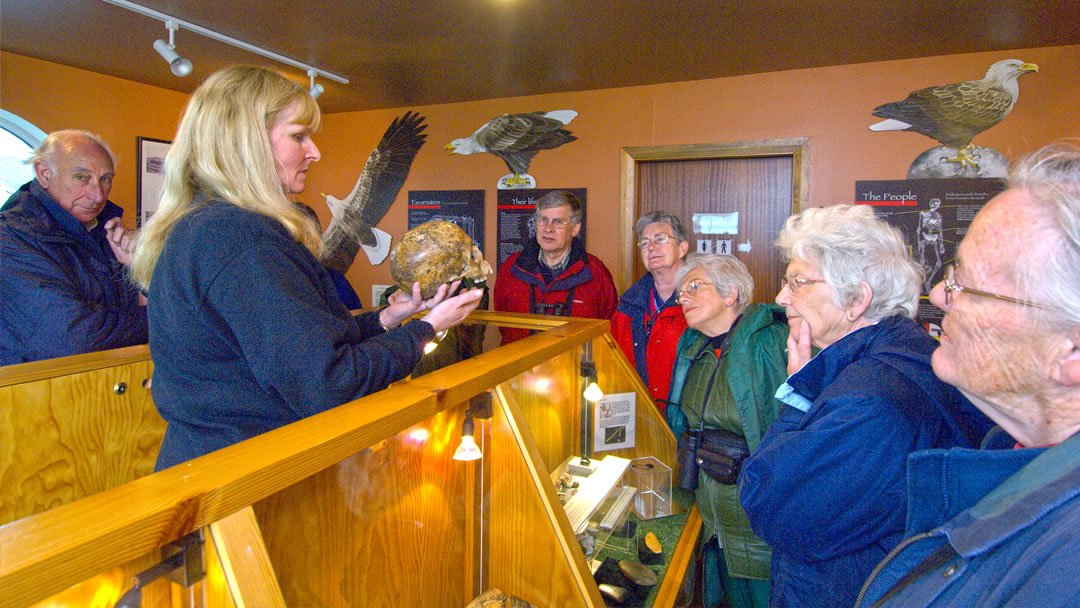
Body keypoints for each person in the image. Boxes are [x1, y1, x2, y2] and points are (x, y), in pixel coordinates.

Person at [130, 66, 482, 470]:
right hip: (242, 478)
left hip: (224, 465)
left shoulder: (208, 225)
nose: (314, 151)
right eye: (298, 136)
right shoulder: (241, 239)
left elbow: (296, 348)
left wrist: (386, 319)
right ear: (246, 143)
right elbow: (328, 384)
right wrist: (428, 327)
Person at [856, 141, 1080, 607]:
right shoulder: (1009, 452)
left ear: (1072, 351)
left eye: (967, 285)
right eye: (951, 273)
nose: (938, 294)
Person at [737, 204, 992, 608]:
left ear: (856, 298)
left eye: (797, 282)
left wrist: (799, 396)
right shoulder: (904, 355)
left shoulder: (868, 404)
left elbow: (768, 503)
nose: (781, 296)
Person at [665, 253, 788, 608]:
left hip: (760, 525)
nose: (682, 297)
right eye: (680, 292)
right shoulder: (692, 348)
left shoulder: (770, 341)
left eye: (694, 287)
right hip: (714, 524)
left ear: (730, 293)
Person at [0, 130, 147, 365]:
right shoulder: (11, 236)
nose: (98, 195)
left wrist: (140, 268)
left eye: (105, 179)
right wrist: (166, 319)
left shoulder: (105, 230)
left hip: (106, 388)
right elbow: (74, 338)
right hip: (33, 396)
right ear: (44, 174)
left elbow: (143, 301)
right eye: (81, 177)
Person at [493, 190, 617, 344]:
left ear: (575, 228)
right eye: (543, 220)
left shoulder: (596, 273)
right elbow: (503, 326)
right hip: (520, 366)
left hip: (574, 366)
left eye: (558, 221)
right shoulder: (511, 268)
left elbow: (608, 328)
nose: (548, 228)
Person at [611, 212, 690, 411]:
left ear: (682, 248)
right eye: (645, 243)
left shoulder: (700, 303)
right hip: (638, 418)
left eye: (660, 239)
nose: (652, 248)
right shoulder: (626, 308)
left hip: (687, 424)